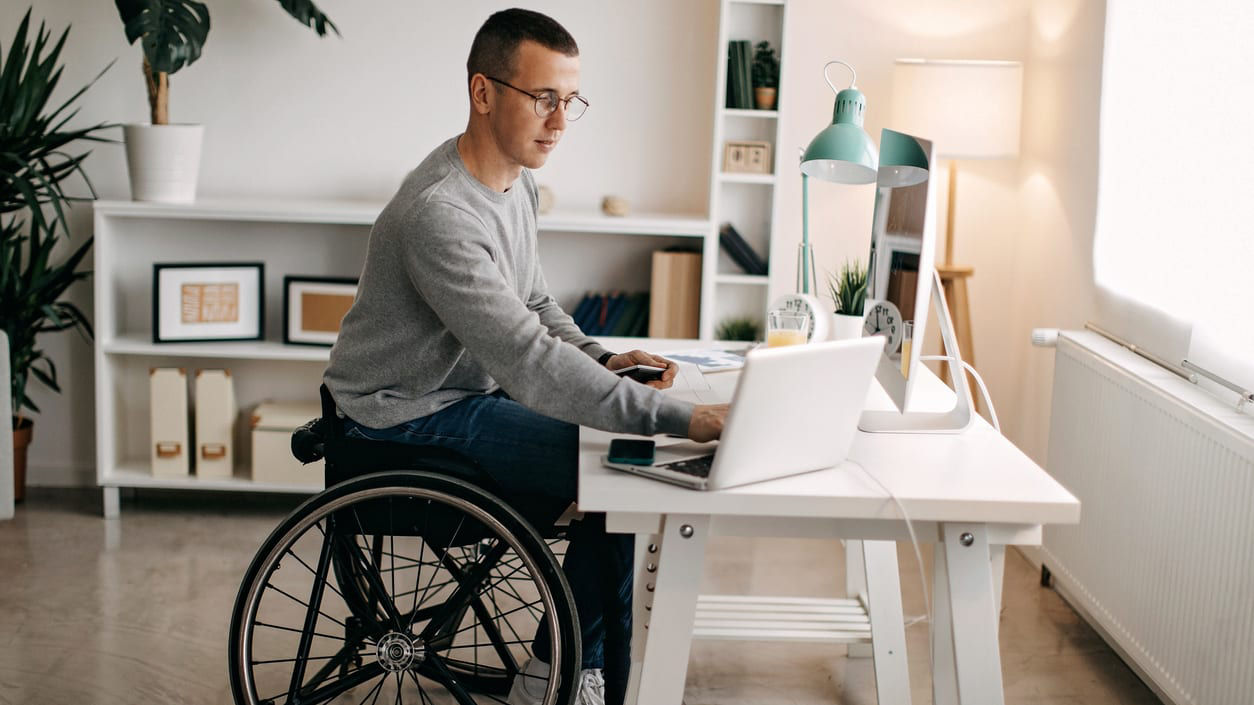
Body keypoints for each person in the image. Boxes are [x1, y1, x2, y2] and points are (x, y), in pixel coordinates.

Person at [323, 8, 728, 705]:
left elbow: (536, 307)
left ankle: (564, 669)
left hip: (465, 396)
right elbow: (527, 360)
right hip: (398, 417)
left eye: (570, 101)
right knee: (620, 467)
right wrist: (677, 417)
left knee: (618, 467)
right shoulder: (440, 214)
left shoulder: (516, 182)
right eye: (545, 99)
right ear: (483, 92)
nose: (560, 120)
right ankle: (572, 674)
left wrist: (602, 358)